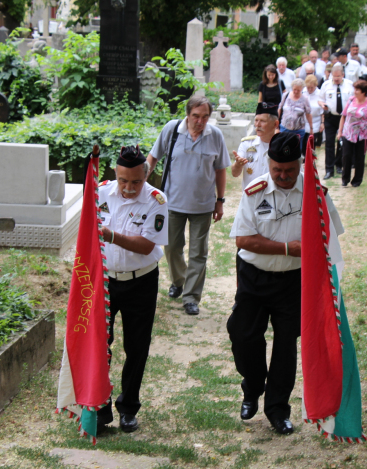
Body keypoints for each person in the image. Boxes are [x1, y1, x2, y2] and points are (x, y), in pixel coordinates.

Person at [228, 132, 344, 435]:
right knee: (243, 336)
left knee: (285, 345)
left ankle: (278, 409)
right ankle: (253, 386)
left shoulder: (315, 192)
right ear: (269, 163)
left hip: (294, 280)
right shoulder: (255, 191)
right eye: (277, 169)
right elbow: (243, 239)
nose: (282, 176)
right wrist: (285, 248)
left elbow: (331, 237)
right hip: (254, 275)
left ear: (299, 164)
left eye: (289, 171)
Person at [96, 146, 169, 434]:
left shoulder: (156, 200)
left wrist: (110, 235)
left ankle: (128, 407)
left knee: (136, 347)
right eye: (123, 180)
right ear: (116, 174)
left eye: (135, 181)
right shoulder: (101, 193)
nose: (128, 188)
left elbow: (146, 245)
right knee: (102, 344)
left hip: (141, 281)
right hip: (105, 281)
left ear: (146, 174)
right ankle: (100, 407)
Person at [146, 96, 230, 316]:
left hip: (203, 205)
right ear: (188, 114)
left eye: (204, 117)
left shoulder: (215, 136)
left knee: (198, 253)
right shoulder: (172, 130)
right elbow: (153, 158)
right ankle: (179, 280)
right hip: (172, 202)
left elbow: (221, 170)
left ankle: (191, 297)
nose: (200, 121)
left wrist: (219, 201)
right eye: (195, 116)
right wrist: (140, 186)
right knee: (172, 247)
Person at [337, 79, 367, 188]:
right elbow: (344, 115)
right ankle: (345, 179)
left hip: (362, 135)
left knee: (359, 158)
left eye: (357, 89)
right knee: (346, 156)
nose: (355, 91)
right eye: (355, 89)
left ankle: (357, 180)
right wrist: (340, 131)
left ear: (363, 91)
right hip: (348, 133)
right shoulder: (350, 100)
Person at [232, 103, 280, 189]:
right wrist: (238, 165)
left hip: (274, 198)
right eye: (256, 120)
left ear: (275, 124)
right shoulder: (247, 144)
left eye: (262, 121)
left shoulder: (282, 146)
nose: (257, 125)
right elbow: (235, 174)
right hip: (250, 198)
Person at [319, 63, 354, 179]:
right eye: (334, 76)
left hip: (344, 118)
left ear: (342, 75)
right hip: (330, 117)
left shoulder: (349, 85)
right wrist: (322, 104)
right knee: (329, 143)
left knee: (342, 142)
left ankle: (339, 165)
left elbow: (354, 99)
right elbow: (320, 99)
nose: (336, 79)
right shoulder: (326, 85)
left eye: (338, 76)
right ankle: (329, 169)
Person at [279, 78, 313, 154]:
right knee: (283, 149)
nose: (296, 91)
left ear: (302, 89)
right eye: (294, 89)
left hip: (298, 129)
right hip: (284, 128)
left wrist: (311, 128)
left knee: (297, 150)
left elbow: (308, 114)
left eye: (298, 90)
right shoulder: (285, 95)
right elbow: (279, 109)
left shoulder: (305, 99)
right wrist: (276, 126)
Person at [302, 74, 324, 148]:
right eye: (308, 87)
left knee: (312, 145)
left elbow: (322, 111)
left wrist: (322, 123)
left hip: (316, 122)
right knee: (304, 144)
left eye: (312, 87)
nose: (310, 89)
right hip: (304, 122)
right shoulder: (303, 92)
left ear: (315, 85)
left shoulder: (320, 93)